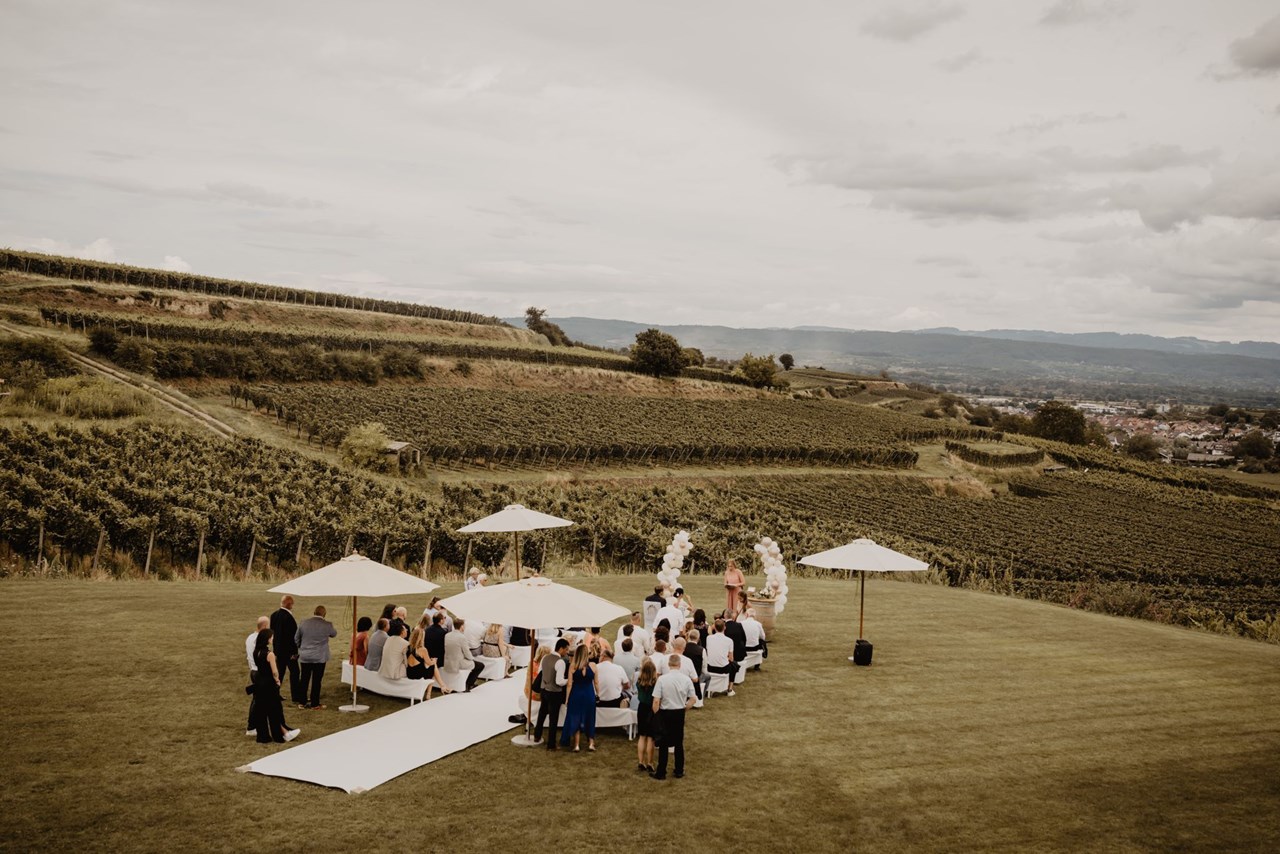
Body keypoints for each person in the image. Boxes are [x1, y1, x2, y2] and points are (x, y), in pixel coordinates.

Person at [650, 654, 696, 780]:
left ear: (669, 665)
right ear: (679, 665)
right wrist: (685, 708)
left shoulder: (662, 679)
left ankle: (661, 772)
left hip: (665, 712)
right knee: (678, 742)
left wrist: (656, 714)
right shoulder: (686, 679)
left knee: (663, 743)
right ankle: (679, 770)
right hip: (679, 712)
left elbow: (656, 701)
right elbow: (693, 698)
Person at [251, 628, 300, 744]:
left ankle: (263, 736)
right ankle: (279, 735)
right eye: (271, 637)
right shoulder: (270, 654)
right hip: (269, 683)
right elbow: (274, 671)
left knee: (261, 710)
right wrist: (277, 680)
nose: (273, 639)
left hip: (259, 682)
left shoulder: (255, 652)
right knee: (275, 710)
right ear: (267, 639)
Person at [294, 604, 337, 709]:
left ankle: (302, 702)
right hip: (319, 657)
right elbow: (334, 634)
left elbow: (296, 638)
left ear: (314, 612)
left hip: (305, 656)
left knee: (304, 678)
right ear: (324, 614)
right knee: (317, 680)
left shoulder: (303, 623)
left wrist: (302, 647)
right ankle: (315, 703)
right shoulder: (327, 625)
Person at [560, 644, 598, 752]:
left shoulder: (573, 666)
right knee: (590, 718)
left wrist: (567, 698)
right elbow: (596, 682)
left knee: (576, 717)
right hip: (589, 695)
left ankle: (576, 745)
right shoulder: (594, 666)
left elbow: (569, 684)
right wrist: (598, 694)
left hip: (576, 695)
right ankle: (591, 743)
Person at [534, 639, 570, 750]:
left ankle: (537, 735)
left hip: (544, 690)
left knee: (542, 713)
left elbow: (542, 672)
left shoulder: (545, 657)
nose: (567, 652)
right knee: (553, 719)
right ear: (561, 648)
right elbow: (559, 681)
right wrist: (569, 680)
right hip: (554, 693)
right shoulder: (560, 662)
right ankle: (551, 744)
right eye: (566, 649)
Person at [269, 595, 303, 705]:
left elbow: (273, 633)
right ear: (288, 604)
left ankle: (274, 694)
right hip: (288, 652)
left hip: (278, 650)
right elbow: (292, 638)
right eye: (292, 604)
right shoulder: (289, 618)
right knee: (295, 672)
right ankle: (296, 696)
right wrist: (294, 652)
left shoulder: (274, 615)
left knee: (279, 673)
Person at [407, 617, 451, 698]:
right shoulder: (423, 649)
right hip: (417, 674)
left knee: (431, 667)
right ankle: (439, 688)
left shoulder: (409, 646)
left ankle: (440, 688)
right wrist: (434, 660)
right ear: (421, 637)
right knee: (433, 666)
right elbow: (429, 663)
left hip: (410, 672)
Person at [444, 618, 484, 692]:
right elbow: (467, 654)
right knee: (480, 665)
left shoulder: (447, 635)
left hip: (448, 661)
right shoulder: (462, 637)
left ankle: (469, 683)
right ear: (462, 626)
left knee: (474, 664)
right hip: (458, 663)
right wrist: (471, 659)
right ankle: (468, 684)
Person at [245, 615, 269, 736]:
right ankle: (252, 726)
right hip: (260, 672)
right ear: (264, 626)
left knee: (257, 699)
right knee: (258, 701)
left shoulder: (250, 637)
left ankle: (254, 725)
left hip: (253, 670)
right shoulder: (259, 639)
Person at [634, 659, 659, 772]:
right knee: (650, 738)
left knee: (642, 736)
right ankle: (650, 762)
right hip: (651, 709)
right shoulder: (655, 683)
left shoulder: (639, 682)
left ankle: (640, 761)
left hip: (642, 708)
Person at [706, 618, 738, 697]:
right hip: (722, 668)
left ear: (715, 628)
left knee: (731, 664)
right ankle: (730, 689)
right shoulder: (729, 640)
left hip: (710, 667)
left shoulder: (709, 638)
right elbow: (731, 658)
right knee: (734, 665)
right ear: (724, 628)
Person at [681, 631, 706, 707]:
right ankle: (701, 697)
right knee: (707, 677)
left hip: (684, 673)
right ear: (698, 638)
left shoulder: (683, 647)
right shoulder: (702, 650)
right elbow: (704, 667)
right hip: (695, 676)